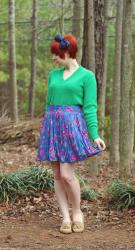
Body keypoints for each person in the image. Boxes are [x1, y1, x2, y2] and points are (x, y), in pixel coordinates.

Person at [36, 34, 106, 234]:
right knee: (57, 175)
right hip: (52, 125)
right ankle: (65, 217)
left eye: (56, 55)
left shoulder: (87, 76)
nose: (53, 58)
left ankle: (77, 212)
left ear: (66, 52)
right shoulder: (54, 75)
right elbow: (49, 103)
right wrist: (45, 127)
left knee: (67, 174)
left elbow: (90, 107)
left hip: (72, 127)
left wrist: (94, 135)